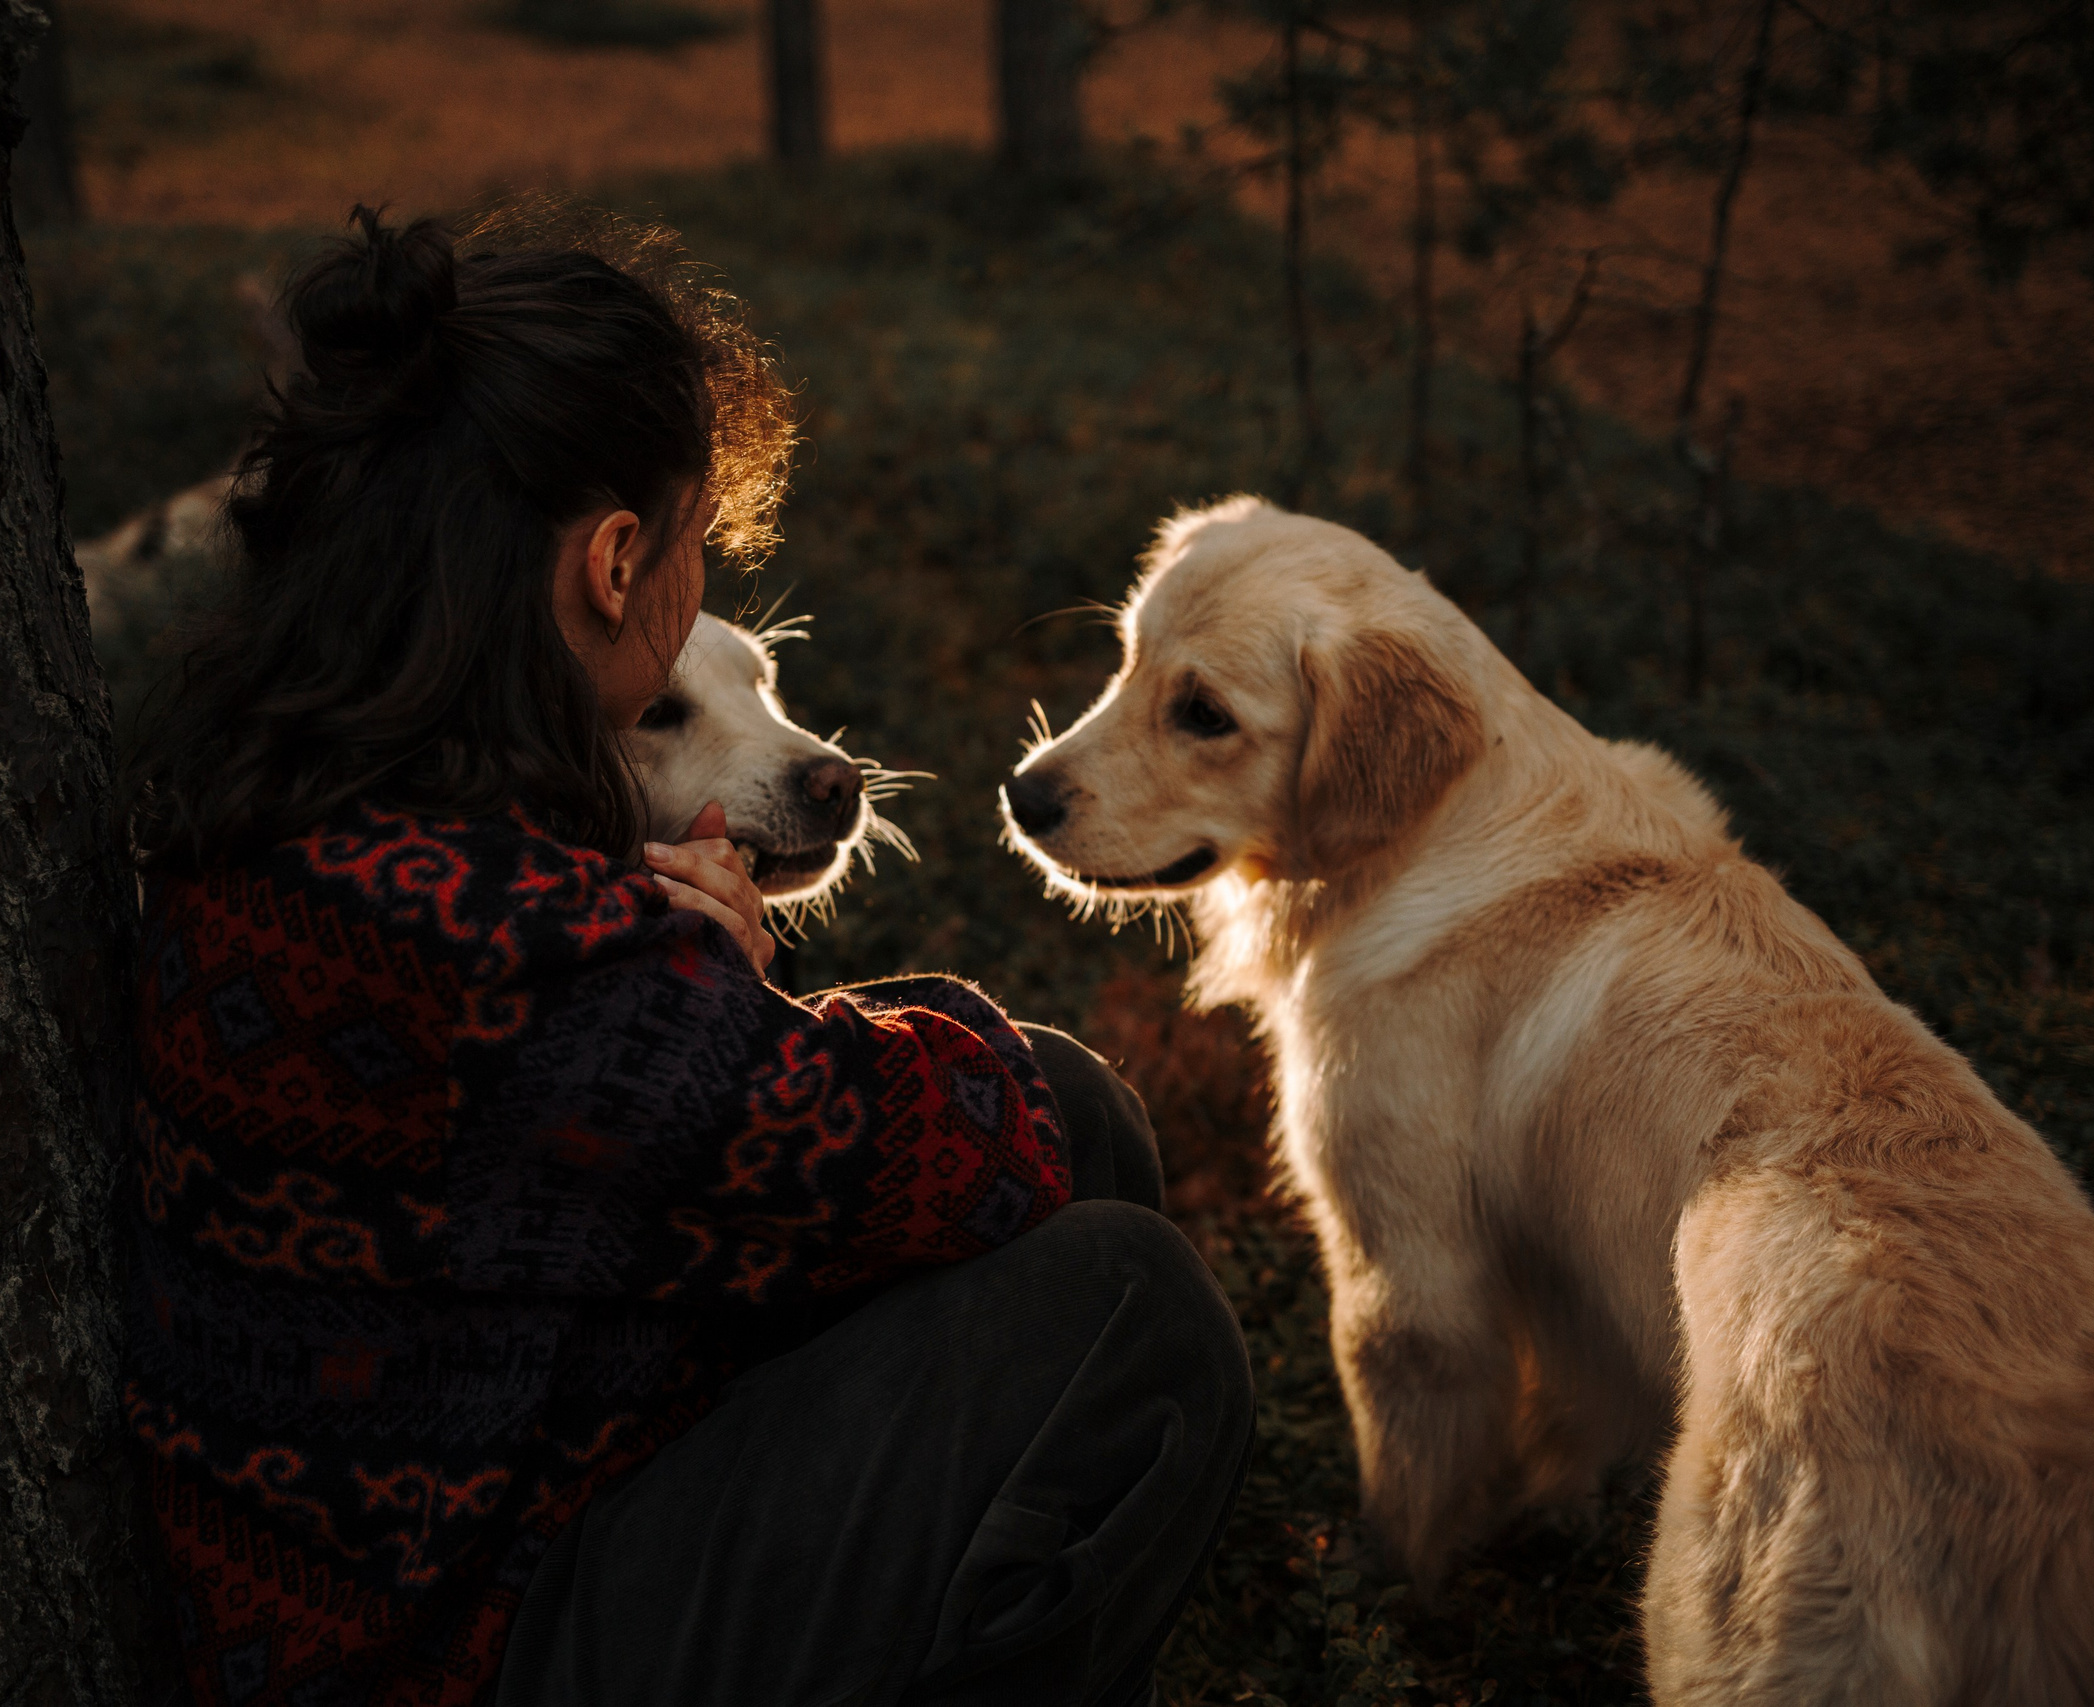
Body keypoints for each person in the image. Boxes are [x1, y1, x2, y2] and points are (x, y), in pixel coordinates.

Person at [121, 202, 1254, 1707]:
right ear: (609, 562)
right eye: (695, 546)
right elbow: (964, 1138)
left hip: (428, 1531)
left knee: (1066, 1101)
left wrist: (710, 992)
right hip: (463, 1649)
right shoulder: (518, 954)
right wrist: (717, 985)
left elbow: (617, 1160)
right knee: (1131, 1297)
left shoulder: (303, 799)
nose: (693, 587)